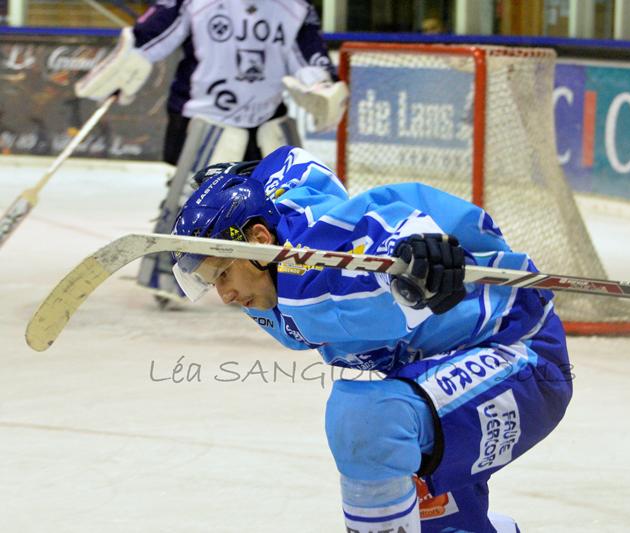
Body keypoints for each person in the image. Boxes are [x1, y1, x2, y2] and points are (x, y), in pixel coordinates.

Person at [171, 146, 573, 532]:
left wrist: (415, 250)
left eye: (223, 273)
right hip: (436, 377)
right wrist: (248, 178)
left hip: (520, 355)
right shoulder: (269, 264)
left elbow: (376, 228)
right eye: (210, 281)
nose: (225, 296)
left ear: (260, 241)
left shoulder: (309, 276)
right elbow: (296, 166)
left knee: (368, 423)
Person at [74, 0, 347, 305]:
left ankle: (272, 278)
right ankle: (168, 276)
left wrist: (322, 86)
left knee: (277, 201)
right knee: (193, 201)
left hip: (267, 117)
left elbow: (310, 56)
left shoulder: (294, 6)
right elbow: (150, 35)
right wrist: (127, 62)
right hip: (206, 117)